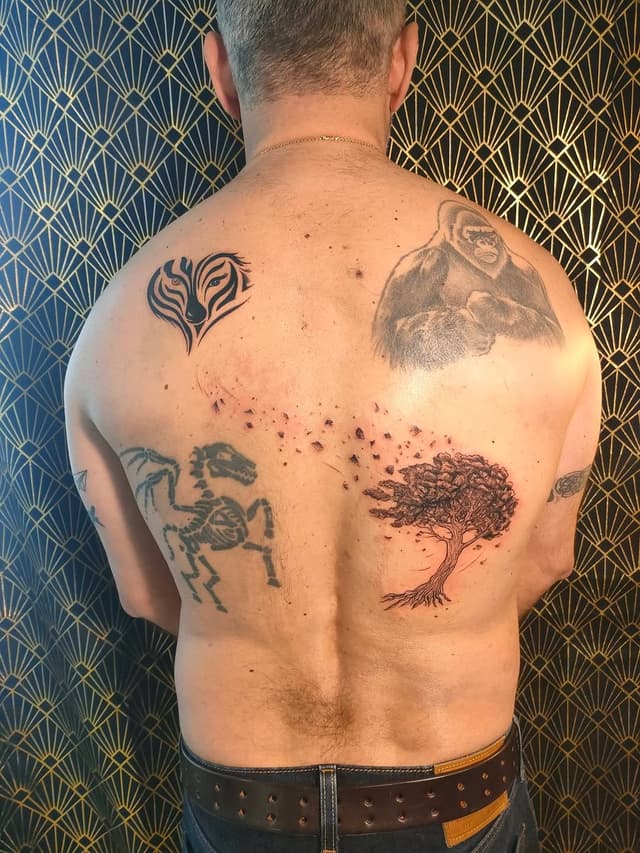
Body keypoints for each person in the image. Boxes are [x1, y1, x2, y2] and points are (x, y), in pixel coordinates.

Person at [64, 2, 602, 851]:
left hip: (242, 807)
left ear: (220, 70)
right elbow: (545, 559)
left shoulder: (115, 325)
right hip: (454, 802)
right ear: (401, 63)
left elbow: (147, 594)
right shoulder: (547, 306)